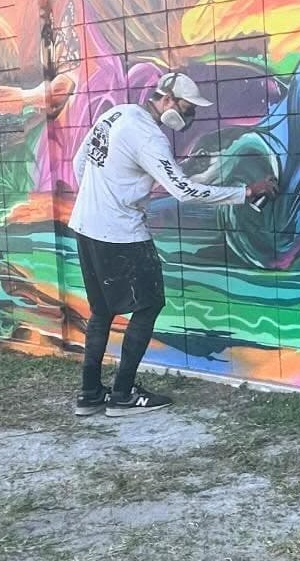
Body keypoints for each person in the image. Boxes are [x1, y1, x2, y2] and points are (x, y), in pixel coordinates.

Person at [68, 72, 276, 417]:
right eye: (187, 106)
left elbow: (80, 164)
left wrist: (103, 197)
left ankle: (90, 394)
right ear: (166, 100)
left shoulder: (115, 115)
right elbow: (183, 190)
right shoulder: (149, 137)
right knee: (149, 305)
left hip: (85, 226)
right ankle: (122, 395)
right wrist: (246, 192)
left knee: (102, 310)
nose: (190, 114)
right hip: (120, 232)